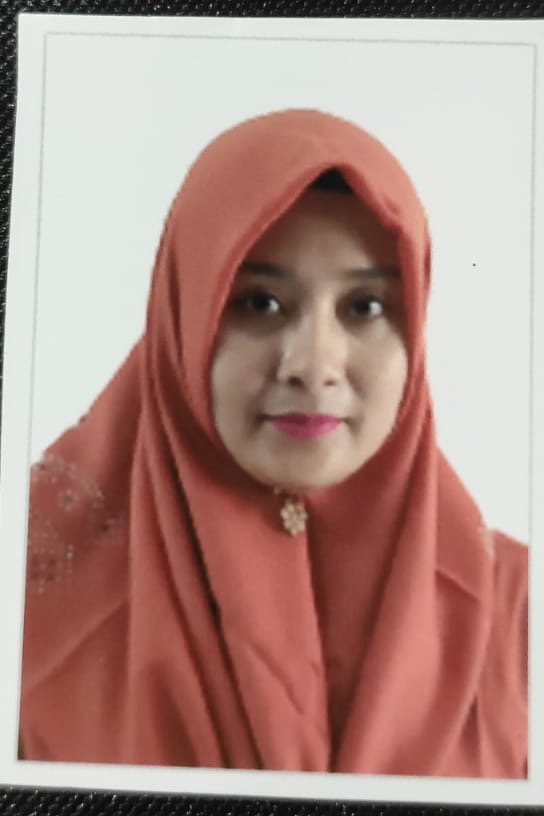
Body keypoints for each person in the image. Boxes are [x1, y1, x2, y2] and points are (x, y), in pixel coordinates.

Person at [19, 108, 527, 777]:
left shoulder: (520, 617)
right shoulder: (29, 604)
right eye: (259, 302)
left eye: (365, 307)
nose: (313, 365)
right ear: (184, 316)